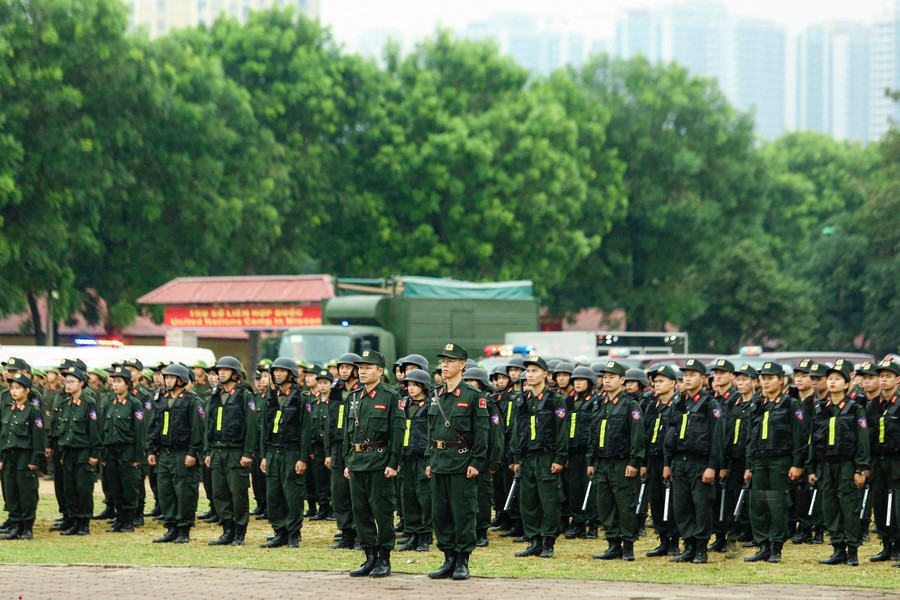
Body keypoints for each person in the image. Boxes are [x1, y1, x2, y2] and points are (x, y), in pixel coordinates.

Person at [343, 350, 404, 578]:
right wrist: (348, 461)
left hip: (380, 463)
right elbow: (349, 435)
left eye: (368, 367)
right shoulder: (354, 397)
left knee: (382, 511)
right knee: (361, 512)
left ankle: (384, 557)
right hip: (357, 462)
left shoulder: (390, 396)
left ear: (380, 371)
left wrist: (393, 462)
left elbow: (397, 432)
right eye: (360, 367)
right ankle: (369, 556)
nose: (362, 371)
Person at [807, 358, 870, 566]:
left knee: (848, 506)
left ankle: (852, 550)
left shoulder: (855, 409)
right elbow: (813, 439)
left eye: (837, 379)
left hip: (847, 465)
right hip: (825, 466)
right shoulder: (820, 409)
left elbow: (862, 440)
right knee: (830, 507)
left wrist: (860, 468)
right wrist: (812, 466)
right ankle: (837, 548)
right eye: (830, 378)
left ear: (846, 383)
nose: (832, 382)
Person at [743, 362, 807, 563]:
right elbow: (749, 437)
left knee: (777, 504)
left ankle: (776, 546)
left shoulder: (791, 404)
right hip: (759, 460)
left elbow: (799, 436)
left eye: (770, 378)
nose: (766, 382)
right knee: (758, 504)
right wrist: (748, 465)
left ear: (781, 380)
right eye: (763, 378)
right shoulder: (757, 404)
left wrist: (797, 464)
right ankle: (762, 545)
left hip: (780, 460)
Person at [664, 359, 724, 564]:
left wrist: (712, 466)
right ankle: (688, 546)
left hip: (700, 463)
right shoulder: (678, 402)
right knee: (681, 506)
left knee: (702, 506)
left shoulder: (710, 404)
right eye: (685, 375)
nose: (687, 379)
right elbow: (669, 433)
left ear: (703, 378)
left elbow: (717, 438)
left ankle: (701, 548)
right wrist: (667, 463)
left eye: (692, 375)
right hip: (679, 461)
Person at [512, 356, 569, 559]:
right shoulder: (521, 400)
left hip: (547, 457)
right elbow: (517, 430)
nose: (530, 374)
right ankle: (534, 540)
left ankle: (549, 542)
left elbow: (562, 431)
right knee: (528, 500)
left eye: (535, 371)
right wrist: (517, 458)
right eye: (528, 371)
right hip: (527, 457)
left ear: (545, 374)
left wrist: (559, 458)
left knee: (549, 500)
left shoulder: (556, 400)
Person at [589, 361, 645, 561]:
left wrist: (634, 462)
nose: (607, 380)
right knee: (605, 505)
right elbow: (593, 434)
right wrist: (591, 460)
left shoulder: (631, 405)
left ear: (622, 380)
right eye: (605, 377)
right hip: (602, 463)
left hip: (622, 463)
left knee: (625, 505)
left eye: (612, 377)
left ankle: (628, 546)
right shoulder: (600, 403)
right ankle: (613, 544)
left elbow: (637, 436)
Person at [148, 363, 205, 544]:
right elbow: (155, 426)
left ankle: (184, 529)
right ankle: (171, 527)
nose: (168, 381)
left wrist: (193, 452)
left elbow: (198, 429)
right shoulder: (162, 400)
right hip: (164, 453)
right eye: (167, 378)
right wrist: (152, 449)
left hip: (183, 453)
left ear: (181, 380)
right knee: (165, 491)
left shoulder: (192, 401)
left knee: (184, 491)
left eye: (172, 377)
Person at [205, 356, 258, 547]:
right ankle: (227, 530)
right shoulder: (215, 396)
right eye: (219, 370)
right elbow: (208, 425)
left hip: (236, 452)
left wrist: (248, 452)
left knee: (238, 494)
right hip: (217, 451)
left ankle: (239, 532)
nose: (221, 373)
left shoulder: (245, 395)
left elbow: (252, 426)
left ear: (236, 374)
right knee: (219, 493)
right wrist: (208, 451)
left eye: (226, 370)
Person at [259, 357, 311, 549]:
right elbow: (264, 427)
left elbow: (306, 429)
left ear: (291, 374)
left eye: (282, 370)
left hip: (291, 453)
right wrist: (264, 455)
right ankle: (279, 532)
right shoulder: (270, 397)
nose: (278, 374)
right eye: (276, 371)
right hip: (273, 452)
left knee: (293, 495)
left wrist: (303, 458)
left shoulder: (301, 397)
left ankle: (293, 534)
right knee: (274, 494)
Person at [56, 366, 101, 536]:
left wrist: (94, 454)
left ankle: (84, 522)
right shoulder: (65, 403)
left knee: (83, 488)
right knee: (70, 488)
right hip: (68, 452)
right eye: (66, 381)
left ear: (81, 383)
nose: (68, 385)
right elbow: (63, 429)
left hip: (83, 452)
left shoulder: (89, 402)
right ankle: (73, 520)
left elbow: (94, 430)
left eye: (72, 381)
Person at [102, 365, 147, 533]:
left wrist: (138, 457)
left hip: (128, 451)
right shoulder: (109, 404)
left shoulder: (135, 404)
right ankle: (119, 519)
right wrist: (104, 453)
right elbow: (104, 430)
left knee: (129, 487)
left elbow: (139, 433)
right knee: (115, 487)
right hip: (112, 451)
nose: (115, 385)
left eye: (119, 381)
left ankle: (129, 521)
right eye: (114, 381)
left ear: (128, 383)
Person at [462, 366, 502, 549]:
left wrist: (494, 459)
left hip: (483, 458)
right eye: (467, 381)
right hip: (464, 456)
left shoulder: (490, 404)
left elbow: (496, 434)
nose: (469, 384)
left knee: (482, 497)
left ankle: (481, 531)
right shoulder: (462, 402)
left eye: (473, 381)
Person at [0, 373, 44, 540]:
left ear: (26, 390)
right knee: (11, 490)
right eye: (12, 388)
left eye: (18, 388)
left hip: (25, 456)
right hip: (9, 456)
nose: (14, 391)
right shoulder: (8, 410)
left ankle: (27, 526)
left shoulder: (33, 411)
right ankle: (15, 524)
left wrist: (35, 460)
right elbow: (3, 435)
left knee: (27, 492)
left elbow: (37, 438)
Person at [325, 352, 361, 550]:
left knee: (356, 493)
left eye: (348, 367)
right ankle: (346, 532)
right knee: (339, 493)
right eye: (341, 367)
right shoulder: (336, 391)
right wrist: (329, 452)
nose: (344, 371)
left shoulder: (361, 391)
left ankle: (360, 534)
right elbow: (330, 422)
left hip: (355, 447)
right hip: (338, 447)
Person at [644, 365, 681, 557]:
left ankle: (674, 541)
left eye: (661, 381)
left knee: (672, 501)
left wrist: (669, 463)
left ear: (673, 383)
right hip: (653, 459)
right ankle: (663, 540)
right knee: (656, 500)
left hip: (671, 461)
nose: (656, 385)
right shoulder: (653, 405)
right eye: (655, 381)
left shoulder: (678, 404)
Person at [397, 368, 433, 553]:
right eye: (409, 385)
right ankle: (411, 533)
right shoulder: (403, 405)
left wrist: (430, 459)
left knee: (424, 497)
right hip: (405, 457)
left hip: (423, 458)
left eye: (415, 385)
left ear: (424, 386)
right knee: (408, 496)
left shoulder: (432, 406)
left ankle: (425, 535)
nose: (411, 388)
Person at [563, 366, 600, 540]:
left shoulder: (596, 401)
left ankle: (592, 524)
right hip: (572, 452)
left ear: (590, 382)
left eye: (581, 380)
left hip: (588, 451)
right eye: (575, 380)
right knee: (574, 488)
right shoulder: (568, 401)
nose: (577, 383)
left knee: (590, 488)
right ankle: (577, 523)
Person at [869, 359, 899, 564]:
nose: (883, 380)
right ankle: (886, 544)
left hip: (897, 461)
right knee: (879, 503)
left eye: (888, 376)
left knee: (898, 505)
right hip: (877, 461)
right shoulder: (873, 405)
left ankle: (899, 546)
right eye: (881, 376)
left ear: (898, 379)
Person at [308, 368, 332, 521]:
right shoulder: (314, 403)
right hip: (316, 448)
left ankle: (333, 508)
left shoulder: (333, 403)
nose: (322, 386)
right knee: (319, 479)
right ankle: (322, 508)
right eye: (320, 383)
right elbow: (310, 426)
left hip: (329, 448)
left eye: (325, 383)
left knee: (331, 479)